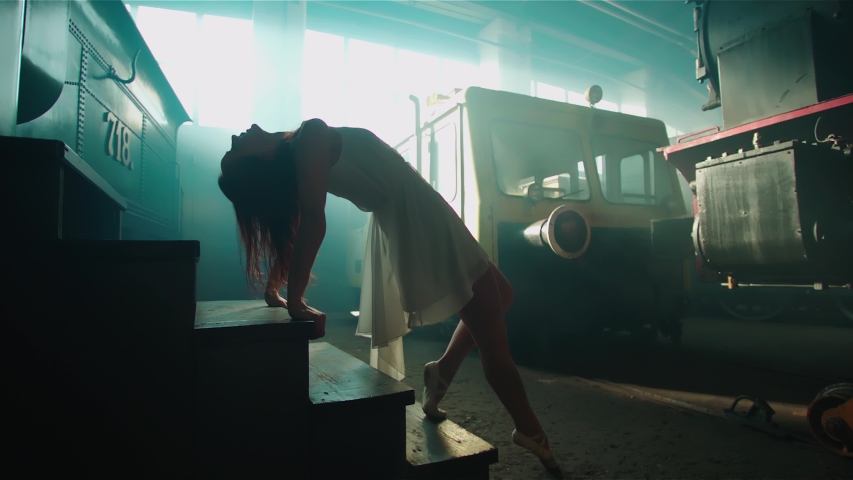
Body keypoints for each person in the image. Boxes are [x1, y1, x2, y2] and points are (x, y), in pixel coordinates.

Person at [218, 119, 561, 477]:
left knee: (500, 294)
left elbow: (300, 223)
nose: (233, 138)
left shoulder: (302, 148)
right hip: (418, 217)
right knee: (492, 333)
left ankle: (441, 371)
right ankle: (528, 427)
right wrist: (294, 299)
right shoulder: (310, 137)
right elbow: (312, 221)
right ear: (259, 159)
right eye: (233, 151)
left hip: (419, 207)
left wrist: (276, 287)